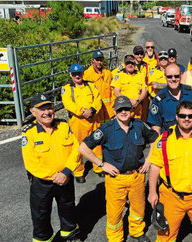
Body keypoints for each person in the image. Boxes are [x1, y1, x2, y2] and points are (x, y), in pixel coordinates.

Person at [79, 96, 158, 242]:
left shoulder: (140, 125)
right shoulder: (106, 130)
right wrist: (102, 164)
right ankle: (115, 238)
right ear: (114, 111)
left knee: (138, 208)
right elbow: (83, 148)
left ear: (131, 110)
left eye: (127, 108)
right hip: (116, 180)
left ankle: (137, 231)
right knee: (114, 213)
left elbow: (155, 139)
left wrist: (149, 159)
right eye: (120, 109)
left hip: (137, 176)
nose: (124, 112)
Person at [148, 100, 192, 242]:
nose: (187, 119)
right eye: (183, 116)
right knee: (165, 236)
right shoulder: (164, 140)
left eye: (190, 116)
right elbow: (154, 167)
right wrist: (152, 192)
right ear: (177, 117)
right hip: (171, 196)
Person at [22, 93, 81, 242]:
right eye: (41, 109)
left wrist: (66, 172)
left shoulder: (64, 126)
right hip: (42, 183)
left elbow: (76, 148)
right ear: (32, 111)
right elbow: (31, 163)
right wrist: (56, 176)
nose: (46, 112)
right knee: (40, 215)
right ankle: (43, 239)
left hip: (65, 178)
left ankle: (70, 234)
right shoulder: (29, 133)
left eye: (49, 107)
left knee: (68, 208)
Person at [62, 63, 103, 182]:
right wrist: (82, 112)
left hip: (93, 119)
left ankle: (98, 167)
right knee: (78, 147)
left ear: (83, 73)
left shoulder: (91, 85)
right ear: (70, 74)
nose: (77, 76)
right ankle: (78, 171)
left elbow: (98, 99)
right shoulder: (67, 88)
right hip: (78, 122)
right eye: (74, 74)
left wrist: (92, 110)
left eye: (79, 73)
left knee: (97, 144)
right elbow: (68, 103)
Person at [148, 63, 192, 134]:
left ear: (181, 75)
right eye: (169, 77)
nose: (173, 79)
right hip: (170, 142)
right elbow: (156, 128)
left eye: (176, 76)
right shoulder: (159, 100)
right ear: (165, 77)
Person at [111, 55, 147, 120]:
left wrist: (138, 101)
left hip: (137, 109)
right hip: (124, 109)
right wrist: (129, 101)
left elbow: (144, 91)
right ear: (125, 64)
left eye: (132, 63)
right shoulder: (119, 75)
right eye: (128, 63)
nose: (130, 65)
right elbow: (116, 92)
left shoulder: (140, 75)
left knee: (137, 128)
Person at [83, 50, 114, 122]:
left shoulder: (108, 73)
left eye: (101, 60)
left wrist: (114, 105)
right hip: (96, 110)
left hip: (109, 110)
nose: (99, 62)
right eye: (97, 60)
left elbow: (113, 90)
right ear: (93, 60)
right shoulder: (87, 75)